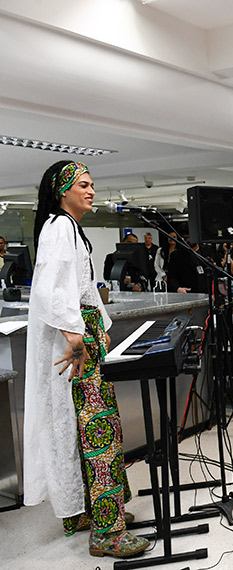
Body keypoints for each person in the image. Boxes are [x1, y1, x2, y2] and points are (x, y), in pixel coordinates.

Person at [24, 160, 149, 558]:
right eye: (83, 184)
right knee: (99, 432)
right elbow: (49, 290)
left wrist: (99, 323)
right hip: (75, 347)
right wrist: (76, 336)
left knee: (86, 429)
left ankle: (94, 511)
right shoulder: (60, 226)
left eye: (93, 184)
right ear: (63, 192)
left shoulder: (69, 228)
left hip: (84, 336)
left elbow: (80, 286)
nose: (92, 190)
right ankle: (107, 533)